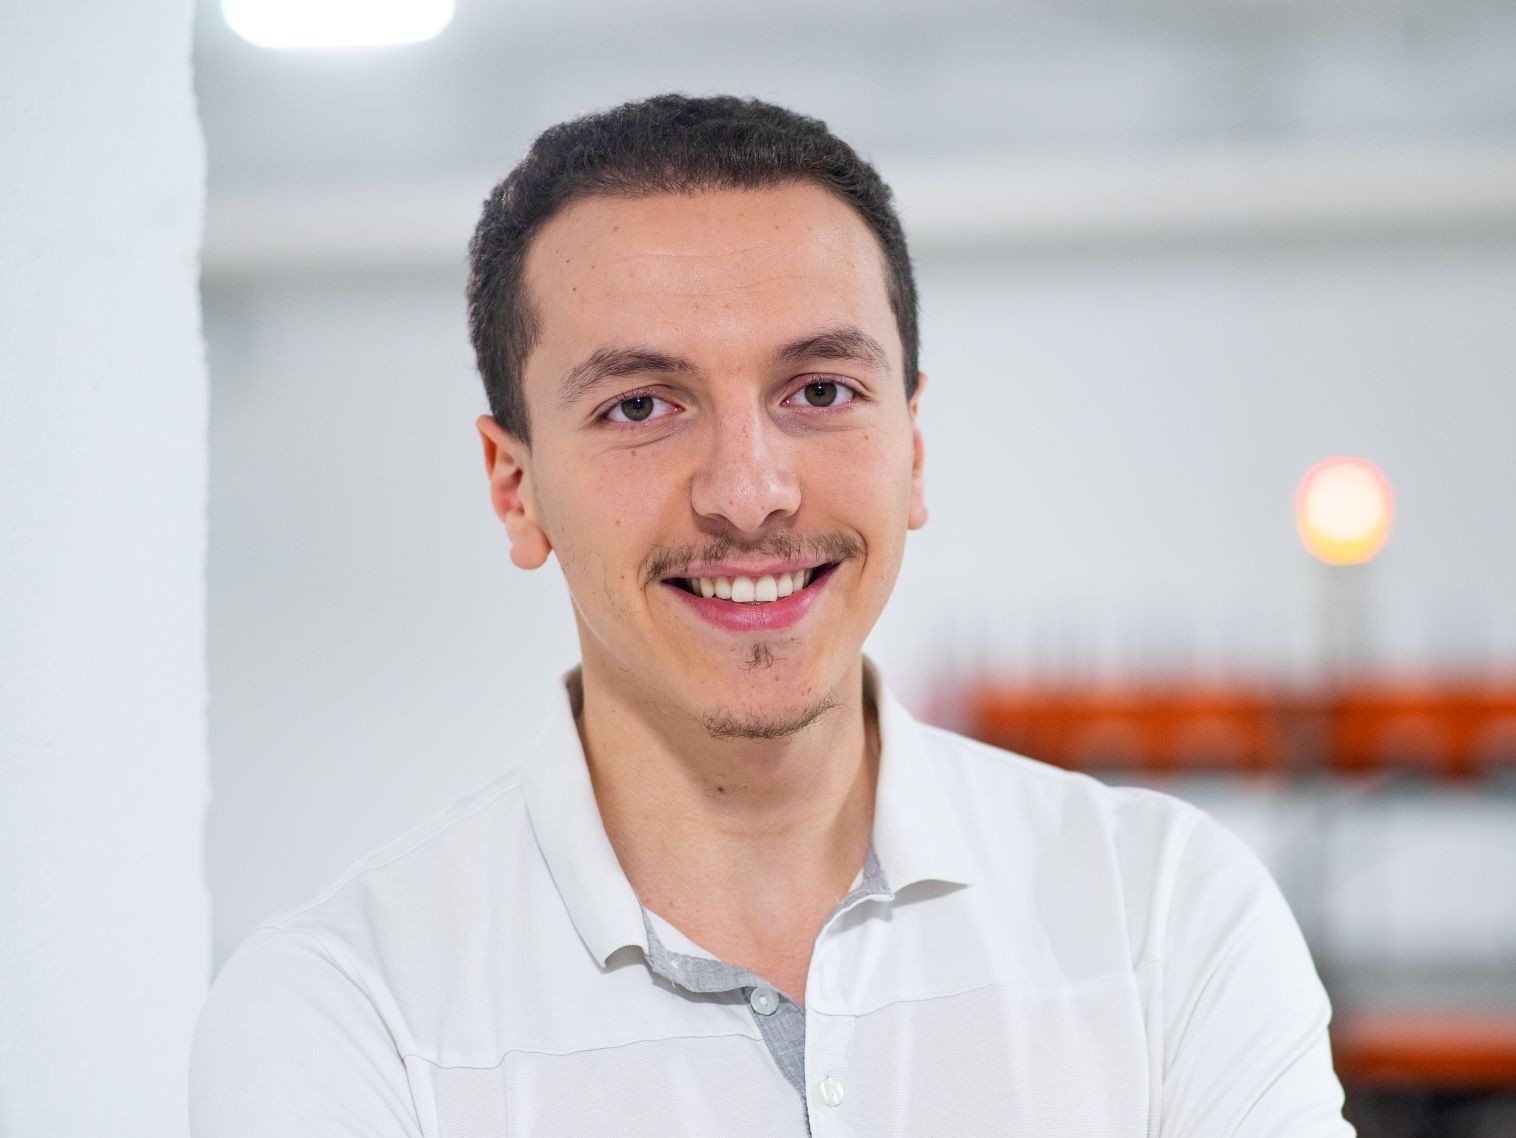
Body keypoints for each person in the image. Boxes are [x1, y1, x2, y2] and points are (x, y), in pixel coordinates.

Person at [189, 94, 1355, 1137]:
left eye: (820, 392)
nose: (748, 493)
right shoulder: (345, 1011)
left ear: (910, 445)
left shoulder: (1163, 916)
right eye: (642, 405)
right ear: (515, 487)